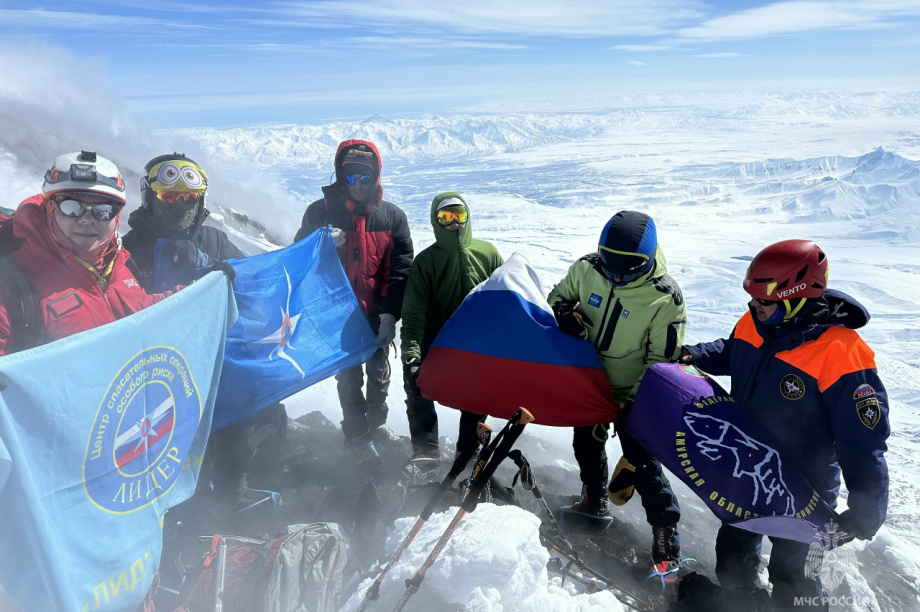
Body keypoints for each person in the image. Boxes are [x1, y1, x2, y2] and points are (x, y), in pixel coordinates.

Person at [680, 239, 889, 611]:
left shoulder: (841, 354)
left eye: (763, 301)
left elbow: (863, 442)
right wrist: (694, 355)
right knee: (734, 549)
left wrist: (864, 514)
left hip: (802, 488)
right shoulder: (757, 319)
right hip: (748, 470)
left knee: (794, 574)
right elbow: (734, 351)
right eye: (753, 300)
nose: (753, 307)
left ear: (796, 298)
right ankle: (739, 602)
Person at [122, 152, 287, 515]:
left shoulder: (213, 240)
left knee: (244, 426)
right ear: (151, 197)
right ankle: (176, 511)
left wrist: (212, 267)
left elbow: (254, 283)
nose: (179, 204)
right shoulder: (130, 248)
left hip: (216, 359)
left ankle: (231, 497)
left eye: (188, 198)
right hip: (160, 367)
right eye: (169, 197)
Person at [547, 210, 685, 576]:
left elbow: (662, 360)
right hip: (590, 382)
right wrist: (563, 311)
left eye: (628, 268)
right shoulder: (588, 268)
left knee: (642, 462)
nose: (617, 275)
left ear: (648, 260)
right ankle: (594, 501)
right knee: (586, 445)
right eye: (611, 265)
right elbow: (559, 294)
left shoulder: (663, 297)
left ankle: (664, 529)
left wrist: (635, 399)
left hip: (634, 391)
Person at [294, 140, 413, 466]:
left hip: (377, 312)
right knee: (348, 377)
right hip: (338, 315)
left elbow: (399, 270)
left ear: (375, 177)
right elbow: (298, 257)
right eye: (350, 178)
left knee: (379, 371)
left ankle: (376, 424)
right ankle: (357, 436)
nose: (358, 184)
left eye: (365, 177)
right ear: (339, 176)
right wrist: (317, 244)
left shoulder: (392, 217)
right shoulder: (320, 212)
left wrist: (390, 315)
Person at [0, 150, 174, 356]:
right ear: (49, 208)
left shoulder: (114, 262)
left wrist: (203, 287)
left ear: (116, 216)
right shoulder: (13, 286)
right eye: (71, 207)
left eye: (103, 211)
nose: (87, 219)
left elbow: (142, 309)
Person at [399, 192, 504, 482]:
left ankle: (467, 456)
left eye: (459, 216)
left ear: (468, 217)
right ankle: (426, 452)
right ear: (436, 221)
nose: (454, 224)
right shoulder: (426, 262)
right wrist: (411, 351)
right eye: (446, 217)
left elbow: (507, 300)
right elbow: (414, 313)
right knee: (415, 381)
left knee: (477, 396)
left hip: (476, 345)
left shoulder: (488, 254)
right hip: (438, 344)